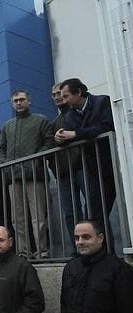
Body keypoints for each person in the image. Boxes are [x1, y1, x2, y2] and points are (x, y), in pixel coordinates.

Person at [57, 78, 117, 252]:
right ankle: (99, 252)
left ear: (79, 92)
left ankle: (107, 252)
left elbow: (106, 126)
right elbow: (71, 138)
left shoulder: (102, 102)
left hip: (107, 163)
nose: (64, 100)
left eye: (66, 96)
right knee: (95, 213)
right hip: (89, 168)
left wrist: (75, 134)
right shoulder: (70, 115)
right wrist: (60, 139)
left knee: (100, 213)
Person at [0, 90, 54, 258]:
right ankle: (23, 253)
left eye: (22, 99)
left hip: (35, 176)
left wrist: (36, 160)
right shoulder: (8, 125)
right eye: (15, 100)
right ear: (12, 103)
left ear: (29, 101)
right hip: (13, 178)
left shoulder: (40, 120)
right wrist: (4, 164)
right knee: (18, 219)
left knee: (38, 217)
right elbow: (1, 148)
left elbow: (50, 141)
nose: (18, 103)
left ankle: (42, 251)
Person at [60, 219, 133, 313]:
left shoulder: (119, 270)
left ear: (100, 238)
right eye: (77, 238)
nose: (80, 242)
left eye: (86, 237)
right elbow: (65, 306)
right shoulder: (70, 268)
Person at [49, 82, 82, 250]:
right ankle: (78, 250)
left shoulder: (79, 113)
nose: (57, 96)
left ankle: (103, 248)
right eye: (53, 94)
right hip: (63, 172)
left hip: (83, 167)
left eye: (59, 93)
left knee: (94, 210)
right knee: (70, 214)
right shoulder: (54, 122)